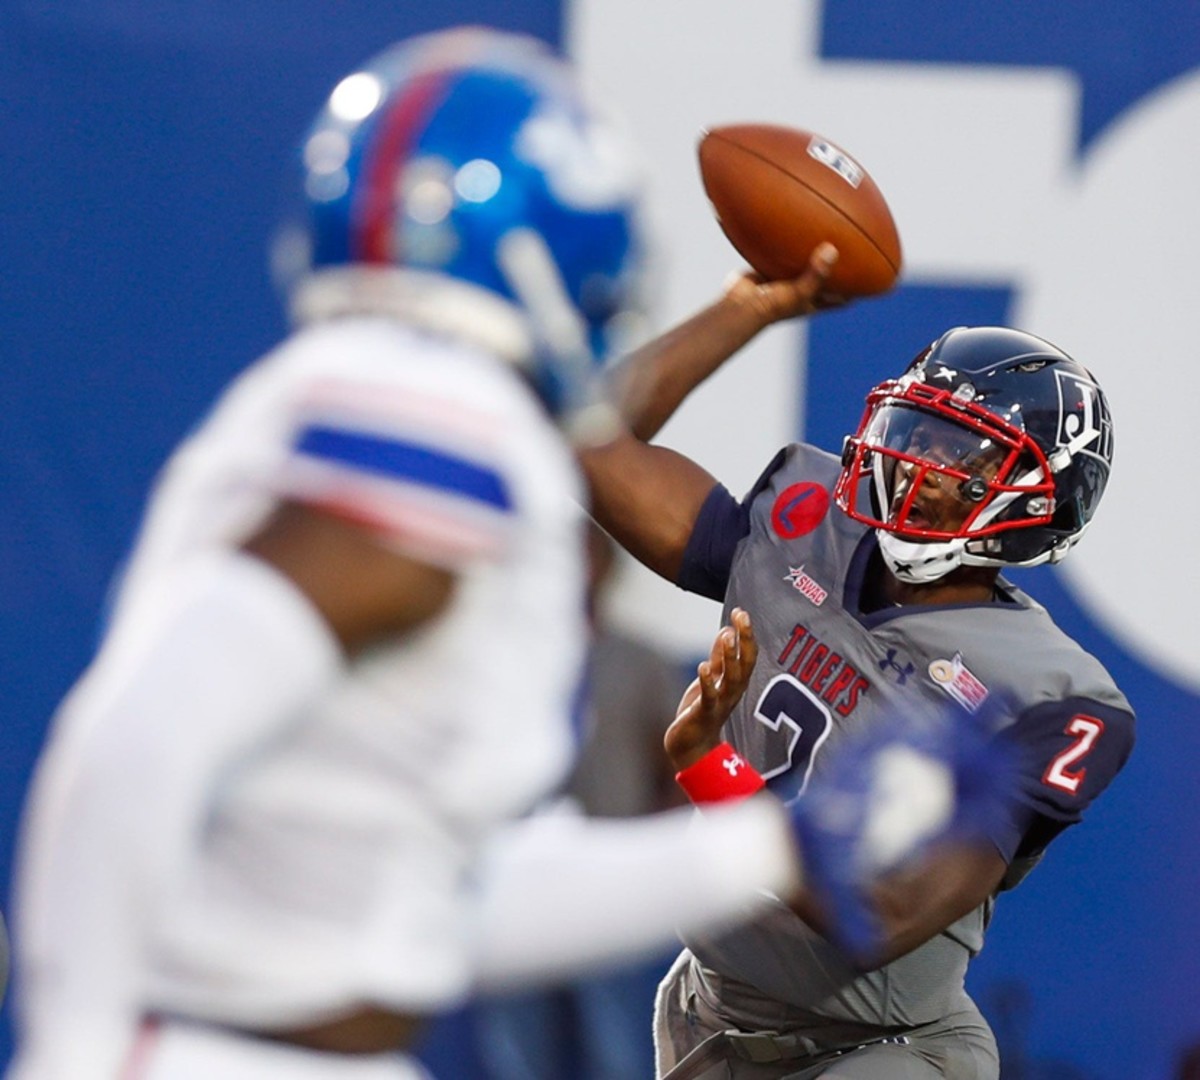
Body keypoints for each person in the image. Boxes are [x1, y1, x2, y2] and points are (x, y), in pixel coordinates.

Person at [3, 27, 1012, 1080]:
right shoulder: (437, 423)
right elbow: (137, 736)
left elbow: (438, 907)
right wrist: (77, 1044)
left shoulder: (385, 398)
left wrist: (776, 850)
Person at [580, 254, 1137, 1079]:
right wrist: (746, 307)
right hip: (710, 1015)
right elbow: (589, 440)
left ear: (1034, 498)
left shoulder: (1054, 696)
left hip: (878, 1053)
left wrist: (710, 767)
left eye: (960, 454)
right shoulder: (807, 521)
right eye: (915, 432)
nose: (914, 461)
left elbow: (883, 910)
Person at [472, 524, 688, 1080]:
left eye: (585, 556)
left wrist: (651, 852)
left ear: (606, 568)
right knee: (517, 1056)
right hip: (513, 885)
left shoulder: (639, 661)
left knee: (614, 1052)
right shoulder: (500, 660)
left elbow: (680, 766)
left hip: (610, 886)